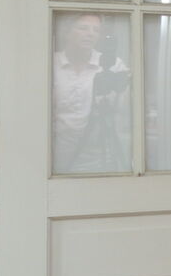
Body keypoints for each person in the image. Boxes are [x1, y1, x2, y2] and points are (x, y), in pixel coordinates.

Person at [51, 12, 130, 173]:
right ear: (67, 32)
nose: (90, 34)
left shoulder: (113, 65)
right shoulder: (51, 62)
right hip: (55, 156)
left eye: (96, 30)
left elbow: (126, 109)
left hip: (98, 157)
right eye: (83, 28)